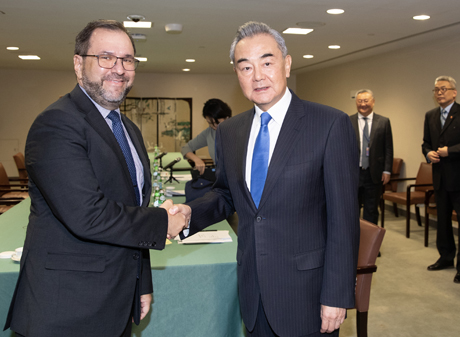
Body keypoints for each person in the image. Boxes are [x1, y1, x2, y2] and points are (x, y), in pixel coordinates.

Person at [166, 21, 359, 336]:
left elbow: (343, 219)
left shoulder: (329, 124)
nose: (257, 76)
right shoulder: (231, 131)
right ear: (237, 74)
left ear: (286, 63)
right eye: (245, 67)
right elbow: (227, 194)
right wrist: (190, 213)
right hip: (253, 290)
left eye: (267, 62)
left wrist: (336, 295)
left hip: (307, 294)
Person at [4, 20, 186, 337]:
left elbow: (130, 207)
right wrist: (162, 223)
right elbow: (87, 214)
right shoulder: (57, 123)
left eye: (127, 59)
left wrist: (140, 283)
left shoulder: (128, 129)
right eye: (106, 57)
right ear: (79, 64)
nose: (119, 68)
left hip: (115, 302)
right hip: (66, 310)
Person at [422, 76, 460, 284]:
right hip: (440, 178)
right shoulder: (430, 115)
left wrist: (448, 152)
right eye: (436, 89)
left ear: (454, 92)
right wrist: (428, 154)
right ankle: (445, 257)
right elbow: (426, 143)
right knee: (442, 221)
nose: (439, 93)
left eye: (444, 89)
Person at [350, 89, 394, 226]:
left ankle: (371, 246)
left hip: (374, 174)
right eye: (360, 101)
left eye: (366, 101)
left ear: (373, 102)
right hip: (353, 173)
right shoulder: (347, 121)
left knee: (371, 210)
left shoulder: (383, 122)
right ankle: (353, 244)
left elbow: (388, 148)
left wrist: (387, 170)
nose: (363, 104)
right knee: (352, 209)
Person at [181, 98, 232, 174]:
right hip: (219, 177)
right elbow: (185, 148)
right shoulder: (209, 132)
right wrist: (196, 159)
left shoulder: (238, 131)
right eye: (210, 123)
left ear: (227, 117)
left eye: (217, 123)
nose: (214, 127)